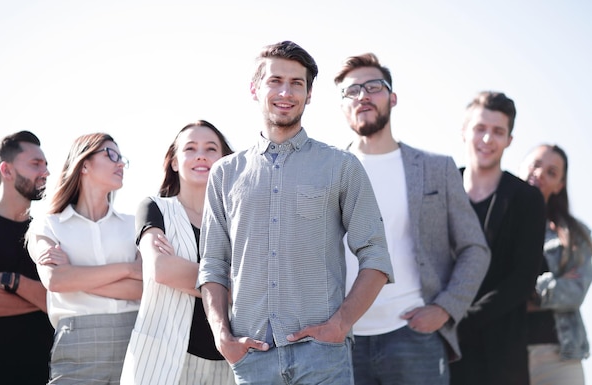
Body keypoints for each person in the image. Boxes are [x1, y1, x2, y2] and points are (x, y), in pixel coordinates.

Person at [197, 40, 394, 385]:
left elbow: (376, 254)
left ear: (309, 94)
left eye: (297, 83)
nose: (286, 92)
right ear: (255, 89)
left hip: (323, 358)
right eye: (275, 81)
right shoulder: (225, 173)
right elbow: (213, 264)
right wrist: (222, 337)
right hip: (252, 359)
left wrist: (340, 325)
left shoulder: (340, 166)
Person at [333, 53, 491, 385]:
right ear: (343, 105)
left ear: (392, 97)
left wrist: (446, 308)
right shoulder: (327, 172)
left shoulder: (436, 168)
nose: (363, 95)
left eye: (373, 87)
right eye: (352, 90)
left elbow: (475, 248)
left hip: (413, 335)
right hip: (340, 340)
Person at [121, 120, 235, 385]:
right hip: (165, 359)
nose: (200, 155)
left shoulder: (239, 219)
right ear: (174, 161)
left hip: (229, 361)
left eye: (210, 149)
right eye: (190, 148)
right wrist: (231, 283)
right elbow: (160, 269)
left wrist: (184, 271)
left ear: (224, 160)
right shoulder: (155, 208)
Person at [27, 132, 142, 385]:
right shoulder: (47, 225)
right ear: (84, 164)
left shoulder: (134, 224)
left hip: (135, 338)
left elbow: (143, 287)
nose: (120, 163)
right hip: (77, 340)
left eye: (121, 158)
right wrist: (127, 268)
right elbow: (56, 280)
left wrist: (75, 276)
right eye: (111, 154)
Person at [450, 91, 547, 385]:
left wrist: (459, 322)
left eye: (498, 131)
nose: (488, 139)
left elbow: (523, 278)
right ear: (464, 132)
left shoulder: (527, 199)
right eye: (480, 128)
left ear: (509, 140)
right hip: (438, 350)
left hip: (501, 354)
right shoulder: (441, 189)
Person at [0, 130, 53, 385]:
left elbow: (63, 302)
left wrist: (12, 282)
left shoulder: (47, 234)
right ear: (7, 170)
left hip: (43, 376)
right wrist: (44, 302)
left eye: (46, 165)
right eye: (35, 164)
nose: (45, 172)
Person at [521, 144, 591, 385]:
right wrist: (550, 288)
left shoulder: (576, 234)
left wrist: (524, 294)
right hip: (503, 353)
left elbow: (574, 291)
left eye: (551, 172)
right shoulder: (494, 222)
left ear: (560, 185)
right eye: (536, 165)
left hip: (558, 358)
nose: (540, 174)